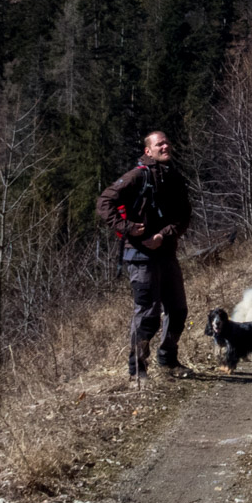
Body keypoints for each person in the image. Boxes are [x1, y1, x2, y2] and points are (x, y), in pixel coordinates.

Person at [95, 130, 193, 377]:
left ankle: (168, 361)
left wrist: (163, 236)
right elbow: (104, 202)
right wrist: (128, 229)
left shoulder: (174, 177)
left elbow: (184, 216)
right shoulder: (138, 176)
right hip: (140, 256)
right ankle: (137, 369)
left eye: (167, 141)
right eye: (159, 143)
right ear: (148, 151)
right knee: (148, 314)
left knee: (178, 310)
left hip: (166, 252)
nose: (166, 146)